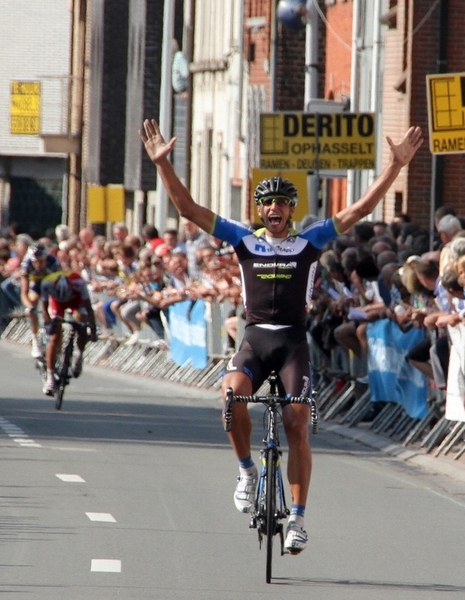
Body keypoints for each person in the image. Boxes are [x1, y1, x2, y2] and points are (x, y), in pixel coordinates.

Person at [140, 118, 423, 555]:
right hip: (255, 339)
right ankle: (247, 470)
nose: (274, 209)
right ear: (259, 209)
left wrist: (395, 167)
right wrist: (162, 165)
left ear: (291, 209)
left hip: (292, 343)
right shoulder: (241, 239)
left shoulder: (310, 241)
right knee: (232, 399)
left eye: (282, 203)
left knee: (296, 424)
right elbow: (188, 210)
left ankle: (297, 519)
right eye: (267, 203)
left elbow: (361, 209)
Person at [40, 271, 97, 395]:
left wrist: (92, 329)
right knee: (54, 337)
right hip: (57, 303)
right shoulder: (46, 283)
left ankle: (79, 354)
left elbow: (89, 308)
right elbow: (44, 309)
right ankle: (50, 379)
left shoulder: (79, 283)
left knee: (81, 323)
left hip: (76, 301)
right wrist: (49, 324)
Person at [19, 242, 61, 359]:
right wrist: (29, 307)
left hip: (50, 285)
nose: (38, 264)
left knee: (53, 310)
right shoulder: (27, 263)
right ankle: (35, 340)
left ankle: (57, 346)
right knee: (33, 301)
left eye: (41, 261)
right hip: (36, 285)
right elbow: (24, 292)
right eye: (35, 262)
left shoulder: (53, 262)